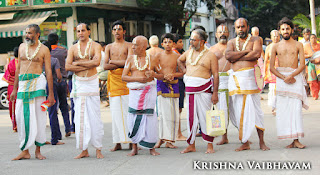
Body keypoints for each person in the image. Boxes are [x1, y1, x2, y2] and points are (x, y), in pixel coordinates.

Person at [10, 24, 55, 160]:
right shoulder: (22, 47)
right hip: (23, 84)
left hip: (37, 83)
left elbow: (48, 71)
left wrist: (51, 93)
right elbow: (18, 68)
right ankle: (25, 150)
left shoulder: (44, 50)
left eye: (30, 33)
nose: (27, 35)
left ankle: (38, 150)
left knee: (38, 117)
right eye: (26, 33)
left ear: (37, 35)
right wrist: (14, 89)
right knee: (20, 116)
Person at [225, 18, 269, 152]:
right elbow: (228, 56)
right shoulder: (231, 42)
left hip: (250, 80)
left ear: (247, 27)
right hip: (237, 81)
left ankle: (262, 141)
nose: (240, 29)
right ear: (235, 28)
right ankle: (245, 142)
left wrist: (236, 56)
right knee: (239, 112)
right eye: (238, 27)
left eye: (242, 27)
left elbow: (256, 54)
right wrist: (245, 53)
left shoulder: (256, 40)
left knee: (256, 112)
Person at [65, 23, 104, 159]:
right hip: (79, 84)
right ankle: (84, 149)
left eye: (83, 30)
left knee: (95, 117)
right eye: (78, 31)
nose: (80, 33)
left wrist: (77, 63)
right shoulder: (73, 48)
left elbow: (97, 63)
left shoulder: (96, 46)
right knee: (80, 118)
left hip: (92, 82)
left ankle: (98, 149)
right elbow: (67, 66)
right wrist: (85, 64)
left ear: (89, 31)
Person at [177, 29, 219, 154]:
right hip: (190, 89)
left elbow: (216, 75)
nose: (191, 42)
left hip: (204, 89)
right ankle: (191, 145)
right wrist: (185, 71)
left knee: (205, 117)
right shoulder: (188, 52)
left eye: (193, 40)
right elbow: (179, 60)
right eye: (190, 39)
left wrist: (215, 93)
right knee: (191, 118)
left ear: (202, 42)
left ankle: (209, 145)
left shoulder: (210, 55)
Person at [270, 17, 308, 149]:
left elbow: (302, 65)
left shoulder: (299, 45)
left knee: (296, 110)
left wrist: (291, 75)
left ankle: (296, 139)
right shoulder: (275, 46)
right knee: (284, 111)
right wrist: (283, 77)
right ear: (279, 31)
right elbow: (271, 68)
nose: (285, 31)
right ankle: (291, 140)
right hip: (282, 80)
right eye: (283, 29)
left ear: (291, 30)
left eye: (287, 28)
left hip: (295, 78)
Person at [122, 35, 162, 156]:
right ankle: (134, 147)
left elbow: (162, 75)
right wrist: (139, 79)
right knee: (133, 117)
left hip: (148, 92)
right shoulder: (130, 59)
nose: (132, 47)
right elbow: (124, 77)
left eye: (135, 45)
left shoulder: (153, 59)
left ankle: (151, 148)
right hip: (135, 93)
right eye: (132, 44)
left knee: (150, 118)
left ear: (144, 46)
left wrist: (153, 74)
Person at [104, 20, 132, 151]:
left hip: (126, 80)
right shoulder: (109, 47)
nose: (116, 32)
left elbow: (129, 62)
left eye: (119, 29)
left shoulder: (129, 45)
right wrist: (120, 63)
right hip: (114, 81)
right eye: (114, 29)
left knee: (128, 111)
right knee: (115, 113)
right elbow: (105, 65)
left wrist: (113, 61)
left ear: (124, 31)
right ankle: (118, 142)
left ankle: (132, 141)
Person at [154, 33, 183, 149]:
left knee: (173, 114)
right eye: (165, 42)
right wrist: (162, 76)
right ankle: (161, 139)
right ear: (162, 44)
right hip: (162, 85)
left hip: (174, 85)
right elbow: (153, 71)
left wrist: (173, 75)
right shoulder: (158, 56)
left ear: (173, 44)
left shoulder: (177, 56)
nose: (167, 44)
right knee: (161, 114)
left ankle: (170, 140)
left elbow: (182, 72)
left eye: (170, 42)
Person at [209, 24, 236, 145]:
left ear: (229, 34)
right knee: (222, 109)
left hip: (233, 79)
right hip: (219, 80)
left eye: (225, 31)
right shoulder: (212, 49)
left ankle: (243, 134)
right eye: (220, 32)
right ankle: (224, 136)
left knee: (237, 108)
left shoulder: (234, 47)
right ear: (216, 34)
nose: (222, 34)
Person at [48, 33, 72, 137]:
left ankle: (57, 134)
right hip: (62, 81)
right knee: (64, 105)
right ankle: (68, 128)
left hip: (50, 82)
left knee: (53, 108)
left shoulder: (46, 52)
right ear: (58, 40)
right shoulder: (63, 50)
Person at [42, 41, 64, 145]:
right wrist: (58, 80)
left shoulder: (38, 61)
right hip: (51, 86)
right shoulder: (54, 60)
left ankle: (40, 139)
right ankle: (54, 139)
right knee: (52, 112)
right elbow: (59, 76)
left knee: (40, 112)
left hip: (38, 86)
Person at [172, 33, 187, 141]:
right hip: (177, 82)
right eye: (180, 42)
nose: (182, 44)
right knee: (177, 109)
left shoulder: (179, 53)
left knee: (178, 109)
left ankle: (178, 132)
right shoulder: (176, 55)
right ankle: (178, 133)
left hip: (180, 82)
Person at [264, 30, 280, 115]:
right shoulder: (268, 47)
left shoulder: (282, 46)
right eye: (274, 36)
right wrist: (264, 72)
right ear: (271, 37)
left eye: (277, 36)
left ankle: (280, 107)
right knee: (273, 89)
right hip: (271, 71)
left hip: (281, 70)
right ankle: (274, 107)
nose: (276, 38)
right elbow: (266, 60)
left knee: (280, 89)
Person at [3, 47, 19, 132]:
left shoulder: (11, 63)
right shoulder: (23, 63)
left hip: (12, 87)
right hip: (21, 86)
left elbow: (6, 77)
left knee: (12, 106)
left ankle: (15, 126)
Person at [304, 34, 320, 100]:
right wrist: (309, 55)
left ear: (316, 38)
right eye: (311, 38)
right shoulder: (306, 46)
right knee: (312, 80)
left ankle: (317, 92)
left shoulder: (319, 45)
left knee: (319, 79)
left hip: (319, 64)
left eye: (314, 38)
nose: (313, 39)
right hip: (311, 64)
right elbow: (302, 55)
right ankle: (315, 95)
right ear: (309, 39)